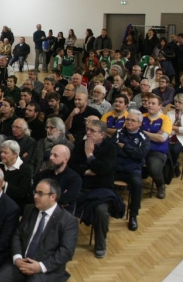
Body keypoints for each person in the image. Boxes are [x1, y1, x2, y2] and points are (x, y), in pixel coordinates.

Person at [0, 178, 78, 282]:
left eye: (40, 193)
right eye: (35, 192)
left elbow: (66, 252)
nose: (35, 196)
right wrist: (17, 258)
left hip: (46, 269)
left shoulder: (68, 221)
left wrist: (40, 266)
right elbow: (17, 234)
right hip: (22, 262)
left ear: (53, 197)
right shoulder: (30, 209)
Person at [69, 120, 118, 258]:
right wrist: (86, 171)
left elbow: (103, 169)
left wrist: (90, 155)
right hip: (82, 186)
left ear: (102, 134)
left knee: (101, 212)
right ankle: (67, 243)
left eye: (92, 131)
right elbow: (72, 166)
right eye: (88, 129)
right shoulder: (79, 146)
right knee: (67, 206)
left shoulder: (111, 148)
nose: (88, 133)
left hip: (101, 189)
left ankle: (100, 243)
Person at [112, 110, 150, 231]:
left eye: (133, 120)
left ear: (139, 123)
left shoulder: (144, 137)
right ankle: (110, 206)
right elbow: (112, 149)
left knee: (137, 184)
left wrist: (124, 147)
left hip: (132, 169)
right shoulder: (118, 132)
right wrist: (130, 151)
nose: (129, 122)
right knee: (102, 177)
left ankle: (133, 215)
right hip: (116, 167)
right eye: (127, 119)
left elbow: (141, 154)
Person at [33, 145, 82, 214]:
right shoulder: (42, 174)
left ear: (65, 160)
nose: (51, 158)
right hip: (40, 210)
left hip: (62, 214)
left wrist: (44, 197)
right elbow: (34, 194)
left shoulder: (75, 179)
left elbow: (65, 200)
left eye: (55, 156)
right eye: (51, 154)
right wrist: (58, 197)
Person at [142, 95, 173, 199]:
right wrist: (154, 135)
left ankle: (160, 185)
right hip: (140, 148)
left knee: (153, 168)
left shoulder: (165, 119)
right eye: (149, 103)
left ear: (160, 106)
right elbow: (133, 132)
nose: (149, 105)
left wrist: (143, 133)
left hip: (156, 151)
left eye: (153, 103)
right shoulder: (141, 117)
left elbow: (161, 139)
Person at [0, 140, 33, 212]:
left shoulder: (25, 169)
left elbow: (22, 192)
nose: (2, 155)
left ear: (15, 154)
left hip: (14, 207)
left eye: (5, 153)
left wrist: (5, 184)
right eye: (1, 152)